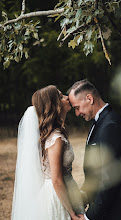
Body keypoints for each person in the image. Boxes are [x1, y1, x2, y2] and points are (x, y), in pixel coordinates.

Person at [68, 79, 121, 220]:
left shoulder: (110, 125)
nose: (77, 113)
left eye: (77, 107)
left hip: (114, 211)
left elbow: (109, 179)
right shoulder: (101, 121)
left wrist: (90, 216)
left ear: (89, 98)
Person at [11, 85, 85, 220]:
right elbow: (56, 180)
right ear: (55, 105)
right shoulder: (56, 138)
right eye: (62, 97)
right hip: (59, 197)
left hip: (63, 191)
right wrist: (72, 214)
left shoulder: (55, 133)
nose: (67, 98)